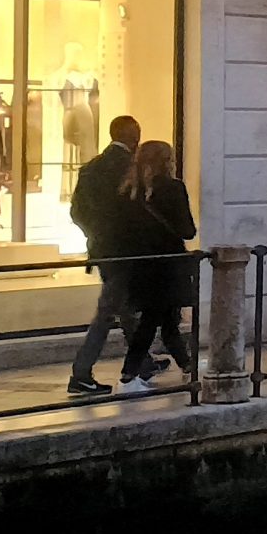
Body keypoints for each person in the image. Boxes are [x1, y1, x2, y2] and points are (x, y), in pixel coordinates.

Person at [108, 139, 195, 393]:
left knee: (165, 319)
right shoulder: (173, 188)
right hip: (168, 265)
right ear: (167, 162)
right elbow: (187, 230)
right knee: (153, 320)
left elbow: (121, 233)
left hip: (140, 266)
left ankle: (187, 365)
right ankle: (129, 375)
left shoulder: (127, 191)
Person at [66, 115, 142, 396]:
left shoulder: (91, 168)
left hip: (102, 248)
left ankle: (143, 361)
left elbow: (76, 211)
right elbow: (136, 212)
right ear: (134, 136)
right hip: (127, 250)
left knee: (124, 307)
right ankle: (81, 372)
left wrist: (95, 234)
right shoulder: (131, 168)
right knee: (109, 311)